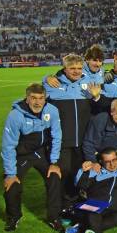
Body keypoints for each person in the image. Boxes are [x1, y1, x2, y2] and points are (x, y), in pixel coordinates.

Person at [1, 84, 63, 231]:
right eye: (33, 98)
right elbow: (8, 145)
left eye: (41, 98)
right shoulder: (16, 115)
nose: (37, 102)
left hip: (41, 152)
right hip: (22, 155)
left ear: (45, 98)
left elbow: (57, 136)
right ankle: (14, 216)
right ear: (27, 98)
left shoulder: (52, 110)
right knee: (11, 184)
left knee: (54, 177)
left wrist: (54, 162)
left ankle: (53, 217)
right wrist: (10, 174)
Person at [43, 53, 102, 206]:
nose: (76, 71)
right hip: (62, 140)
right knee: (64, 173)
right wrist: (47, 78)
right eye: (72, 68)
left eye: (79, 68)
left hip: (83, 139)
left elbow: (98, 109)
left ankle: (76, 202)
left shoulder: (88, 82)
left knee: (79, 171)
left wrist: (96, 97)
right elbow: (37, 103)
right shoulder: (52, 84)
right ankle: (62, 205)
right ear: (64, 68)